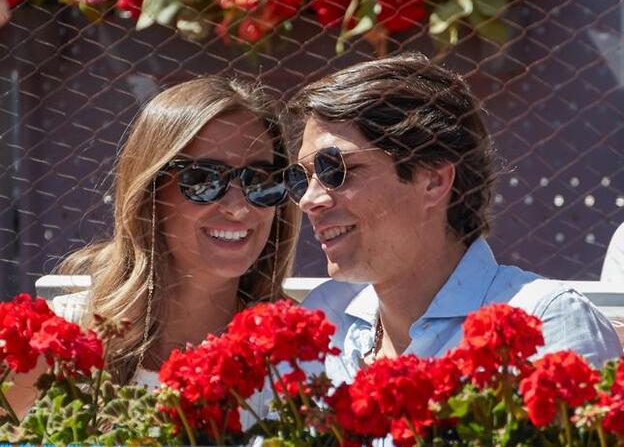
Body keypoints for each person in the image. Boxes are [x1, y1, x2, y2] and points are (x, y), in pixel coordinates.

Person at [284, 53, 621, 385]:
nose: (309, 200)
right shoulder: (322, 319)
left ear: (433, 180)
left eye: (336, 170)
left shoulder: (545, 326)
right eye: (301, 178)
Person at [7, 76, 300, 423]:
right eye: (205, 180)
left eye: (262, 180)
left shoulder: (295, 354)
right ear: (150, 194)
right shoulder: (64, 341)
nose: (238, 207)